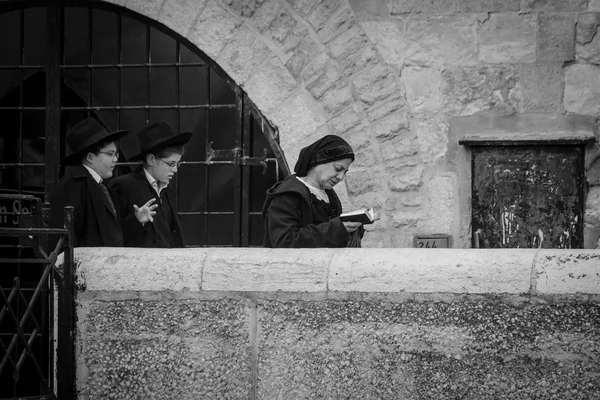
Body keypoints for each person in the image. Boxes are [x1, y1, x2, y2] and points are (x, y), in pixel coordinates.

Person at [262, 134, 363, 248]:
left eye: (345, 172)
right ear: (319, 161)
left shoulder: (329, 196)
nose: (341, 177)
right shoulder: (287, 195)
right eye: (338, 169)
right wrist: (336, 229)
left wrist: (349, 228)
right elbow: (285, 241)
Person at [108, 121, 191, 248]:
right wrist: (136, 220)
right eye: (171, 164)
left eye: (177, 164)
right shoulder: (123, 186)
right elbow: (112, 234)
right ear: (151, 160)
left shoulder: (166, 189)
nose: (175, 170)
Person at [49, 117, 128, 248]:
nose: (115, 160)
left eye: (116, 154)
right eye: (110, 154)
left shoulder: (99, 185)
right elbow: (63, 239)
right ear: (90, 157)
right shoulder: (73, 185)